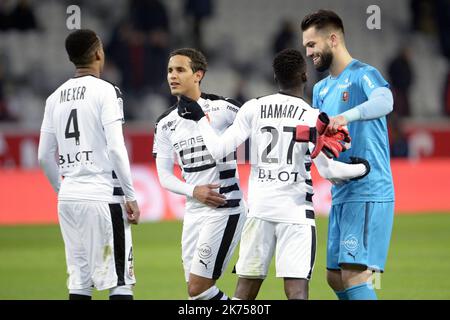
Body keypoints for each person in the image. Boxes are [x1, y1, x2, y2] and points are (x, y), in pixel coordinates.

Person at [177, 48, 370, 300]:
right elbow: (328, 170)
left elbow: (217, 150)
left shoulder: (253, 108)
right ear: (304, 76)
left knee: (245, 291)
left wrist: (201, 119)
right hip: (296, 212)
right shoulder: (314, 117)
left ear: (274, 76)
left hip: (260, 210)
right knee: (296, 291)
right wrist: (361, 169)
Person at [38, 29, 140, 300]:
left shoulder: (54, 97)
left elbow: (43, 156)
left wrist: (64, 190)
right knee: (119, 282)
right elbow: (117, 148)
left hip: (69, 200)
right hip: (102, 196)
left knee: (80, 282)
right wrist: (131, 196)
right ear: (98, 53)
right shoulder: (106, 91)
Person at [301, 10, 395, 300]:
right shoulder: (320, 89)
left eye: (312, 45)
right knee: (334, 277)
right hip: (342, 192)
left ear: (333, 39)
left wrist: (346, 117)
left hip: (369, 189)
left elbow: (386, 101)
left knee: (354, 274)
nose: (308, 52)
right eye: (306, 46)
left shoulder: (364, 74)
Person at [152, 48, 246, 300]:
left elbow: (259, 131)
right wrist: (193, 191)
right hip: (194, 211)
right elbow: (164, 175)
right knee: (196, 296)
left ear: (198, 75)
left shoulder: (223, 109)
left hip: (225, 207)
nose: (173, 75)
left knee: (198, 288)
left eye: (180, 70)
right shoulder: (165, 124)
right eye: (170, 70)